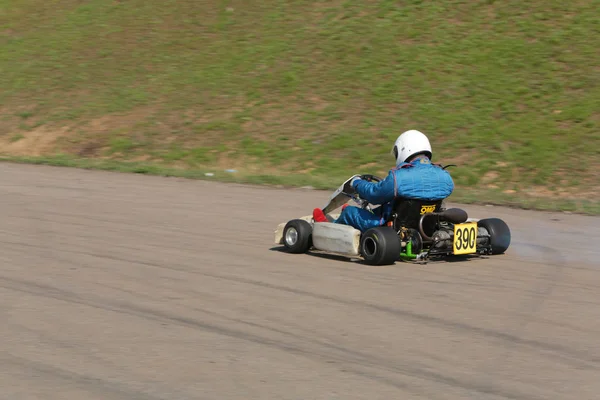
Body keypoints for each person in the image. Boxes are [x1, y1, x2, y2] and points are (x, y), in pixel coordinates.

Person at [312, 130, 454, 232]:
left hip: (391, 227)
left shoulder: (399, 177)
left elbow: (375, 195)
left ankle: (326, 227)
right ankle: (355, 215)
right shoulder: (445, 176)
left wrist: (357, 183)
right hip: (425, 226)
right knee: (391, 204)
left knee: (349, 212)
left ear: (405, 149)